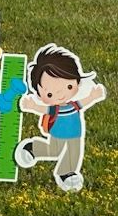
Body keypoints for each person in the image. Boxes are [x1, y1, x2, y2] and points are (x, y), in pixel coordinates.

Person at [15, 44, 105, 192]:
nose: (60, 95)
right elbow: (43, 109)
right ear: (40, 94)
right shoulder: (54, 108)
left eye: (69, 86)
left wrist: (93, 96)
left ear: (77, 81)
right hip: (58, 133)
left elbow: (84, 103)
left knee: (73, 154)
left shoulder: (74, 105)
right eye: (50, 94)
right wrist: (32, 106)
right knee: (54, 151)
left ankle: (66, 173)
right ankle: (32, 149)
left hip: (76, 134)